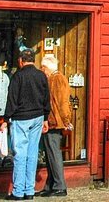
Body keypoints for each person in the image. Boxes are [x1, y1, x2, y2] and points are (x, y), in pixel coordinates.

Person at [5, 48, 49, 201]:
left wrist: (6, 118)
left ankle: (18, 192)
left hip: (21, 117)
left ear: (20, 61)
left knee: (20, 154)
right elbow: (46, 98)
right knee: (32, 153)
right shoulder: (41, 75)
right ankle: (29, 190)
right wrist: (45, 118)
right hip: (38, 116)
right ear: (34, 60)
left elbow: (11, 99)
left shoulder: (18, 76)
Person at [38, 55, 72, 197]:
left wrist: (66, 120)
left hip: (55, 122)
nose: (42, 70)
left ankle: (59, 186)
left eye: (43, 68)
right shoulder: (53, 78)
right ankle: (51, 185)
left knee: (54, 154)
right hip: (51, 121)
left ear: (47, 68)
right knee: (50, 155)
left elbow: (62, 102)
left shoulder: (57, 79)